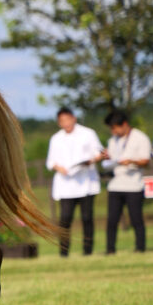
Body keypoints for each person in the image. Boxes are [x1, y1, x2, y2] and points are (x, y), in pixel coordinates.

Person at [45, 107, 104, 257]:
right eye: (62, 121)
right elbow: (50, 161)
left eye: (67, 119)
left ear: (73, 118)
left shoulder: (88, 133)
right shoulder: (56, 138)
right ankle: (64, 251)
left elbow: (100, 152)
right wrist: (59, 167)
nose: (66, 123)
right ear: (59, 123)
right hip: (66, 184)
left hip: (86, 181)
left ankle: (88, 250)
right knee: (65, 219)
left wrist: (92, 160)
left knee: (87, 218)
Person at [100, 110, 151, 253]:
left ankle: (140, 248)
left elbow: (146, 160)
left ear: (124, 124)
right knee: (112, 220)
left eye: (115, 127)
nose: (113, 131)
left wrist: (131, 161)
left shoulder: (140, 138)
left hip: (134, 185)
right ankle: (110, 249)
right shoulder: (112, 140)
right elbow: (109, 160)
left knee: (136, 219)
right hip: (115, 184)